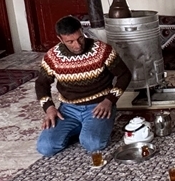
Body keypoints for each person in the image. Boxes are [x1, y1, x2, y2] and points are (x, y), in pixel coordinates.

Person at [36, 16, 131, 156]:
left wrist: (109, 100)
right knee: (45, 147)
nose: (78, 45)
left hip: (99, 106)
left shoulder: (102, 50)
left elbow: (124, 75)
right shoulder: (52, 57)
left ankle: (91, 128)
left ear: (82, 31)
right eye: (70, 41)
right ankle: (84, 128)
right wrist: (49, 108)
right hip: (68, 109)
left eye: (80, 38)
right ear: (60, 39)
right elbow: (41, 84)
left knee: (93, 144)